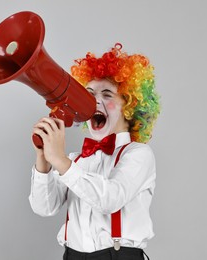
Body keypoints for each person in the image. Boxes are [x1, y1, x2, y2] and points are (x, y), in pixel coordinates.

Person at [29, 43, 160, 260]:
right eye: (89, 94)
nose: (95, 101)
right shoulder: (76, 161)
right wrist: (43, 159)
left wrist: (61, 162)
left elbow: (110, 199)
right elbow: (44, 207)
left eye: (107, 94)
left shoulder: (138, 154)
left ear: (129, 107)